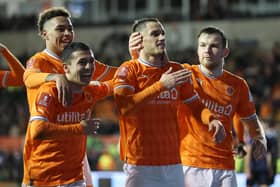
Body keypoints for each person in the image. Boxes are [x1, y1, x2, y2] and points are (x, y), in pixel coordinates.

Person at [23, 7, 140, 186]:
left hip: (75, 147)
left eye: (70, 28)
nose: (67, 33)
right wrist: (55, 76)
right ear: (45, 34)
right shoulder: (39, 61)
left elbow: (119, 78)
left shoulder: (82, 62)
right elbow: (28, 78)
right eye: (60, 29)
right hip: (45, 153)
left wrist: (135, 60)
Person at [113, 18, 225, 187]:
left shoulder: (176, 70)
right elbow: (124, 108)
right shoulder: (128, 70)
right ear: (139, 40)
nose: (162, 38)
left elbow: (195, 104)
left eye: (163, 33)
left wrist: (211, 119)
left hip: (173, 163)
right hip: (140, 163)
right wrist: (161, 86)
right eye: (155, 34)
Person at [178, 26, 267, 187]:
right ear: (197, 49)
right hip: (191, 164)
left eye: (213, 46)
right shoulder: (185, 74)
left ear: (225, 52)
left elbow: (249, 118)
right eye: (203, 45)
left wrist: (259, 138)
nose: (207, 50)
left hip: (225, 166)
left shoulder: (238, 85)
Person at [22, 42, 111, 187]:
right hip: (43, 180)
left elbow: (117, 84)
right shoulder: (49, 91)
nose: (89, 67)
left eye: (91, 62)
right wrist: (79, 129)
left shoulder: (91, 90)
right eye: (82, 62)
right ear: (66, 68)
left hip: (75, 179)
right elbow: (37, 130)